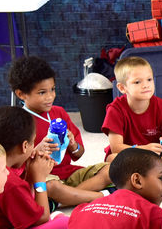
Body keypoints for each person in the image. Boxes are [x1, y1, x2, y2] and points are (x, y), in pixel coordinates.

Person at [8, 56, 111, 206]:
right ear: (21, 94)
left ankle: (65, 198)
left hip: (69, 173)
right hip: (44, 178)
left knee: (110, 170)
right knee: (52, 186)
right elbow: (15, 166)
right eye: (42, 92)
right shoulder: (19, 121)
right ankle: (99, 196)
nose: (50, 96)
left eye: (53, 89)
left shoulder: (59, 112)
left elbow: (79, 154)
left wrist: (73, 145)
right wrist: (36, 151)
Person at [0, 107, 70, 229]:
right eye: (33, 142)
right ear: (24, 146)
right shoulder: (9, 181)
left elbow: (25, 199)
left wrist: (29, 171)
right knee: (67, 222)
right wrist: (39, 179)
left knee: (57, 217)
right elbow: (42, 218)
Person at [103, 56, 162, 172]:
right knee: (112, 159)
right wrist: (143, 149)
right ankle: (156, 171)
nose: (146, 85)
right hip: (133, 156)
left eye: (149, 79)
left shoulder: (161, 105)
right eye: (137, 82)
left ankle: (148, 172)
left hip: (158, 156)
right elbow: (116, 148)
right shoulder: (115, 110)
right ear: (122, 88)